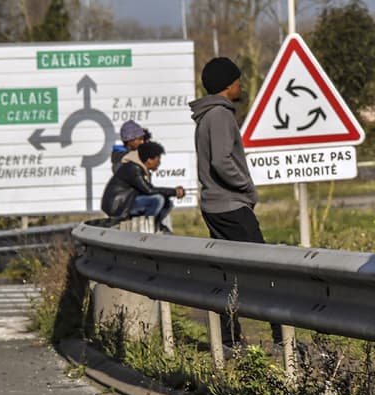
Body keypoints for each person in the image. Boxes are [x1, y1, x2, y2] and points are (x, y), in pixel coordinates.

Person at [188, 57, 283, 350]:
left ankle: (230, 339)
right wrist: (246, 187)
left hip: (215, 207)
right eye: (238, 79)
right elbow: (221, 160)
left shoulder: (207, 116)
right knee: (264, 271)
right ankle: (282, 336)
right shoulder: (220, 115)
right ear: (228, 84)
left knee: (228, 275)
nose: (241, 84)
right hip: (231, 206)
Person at [101, 141, 184, 231]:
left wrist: (172, 193)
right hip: (118, 207)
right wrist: (174, 192)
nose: (159, 163)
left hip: (127, 202)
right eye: (158, 159)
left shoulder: (140, 168)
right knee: (157, 200)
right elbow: (149, 190)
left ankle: (155, 224)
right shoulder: (133, 169)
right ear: (149, 160)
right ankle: (144, 227)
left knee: (168, 203)